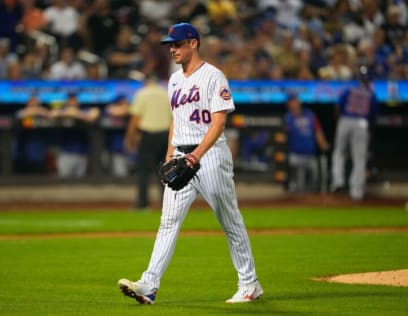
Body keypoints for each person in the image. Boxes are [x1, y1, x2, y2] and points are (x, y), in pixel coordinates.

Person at [118, 22, 263, 304]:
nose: (172, 49)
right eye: (170, 45)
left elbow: (220, 121)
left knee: (229, 220)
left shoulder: (213, 76)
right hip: (182, 155)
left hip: (209, 157)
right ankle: (149, 284)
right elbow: (177, 120)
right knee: (167, 222)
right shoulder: (174, 79)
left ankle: (250, 284)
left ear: (193, 43)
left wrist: (196, 154)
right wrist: (171, 155)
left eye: (177, 44)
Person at [124, 73, 172, 210]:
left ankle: (143, 204)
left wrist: (129, 138)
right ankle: (168, 205)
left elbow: (135, 119)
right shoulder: (166, 93)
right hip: (165, 136)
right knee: (165, 172)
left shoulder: (142, 94)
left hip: (148, 137)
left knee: (144, 172)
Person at [331, 65, 379, 200]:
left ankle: (337, 182)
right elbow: (374, 116)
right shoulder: (371, 94)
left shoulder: (349, 90)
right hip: (361, 123)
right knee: (359, 158)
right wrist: (369, 129)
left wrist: (340, 122)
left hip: (345, 120)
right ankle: (356, 192)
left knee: (339, 152)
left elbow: (337, 107)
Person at [284, 92, 330, 193]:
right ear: (288, 104)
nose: (294, 103)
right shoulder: (288, 118)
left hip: (310, 155)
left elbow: (318, 130)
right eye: (292, 101)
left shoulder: (310, 115)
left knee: (315, 180)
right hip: (295, 156)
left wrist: (322, 142)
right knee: (298, 185)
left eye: (296, 100)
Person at [50, 92, 100, 178]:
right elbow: (52, 114)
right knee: (63, 181)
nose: (72, 102)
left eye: (74, 100)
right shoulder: (61, 111)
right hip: (65, 153)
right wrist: (69, 113)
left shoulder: (83, 110)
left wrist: (75, 113)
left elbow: (92, 116)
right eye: (70, 100)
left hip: (82, 153)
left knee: (79, 183)